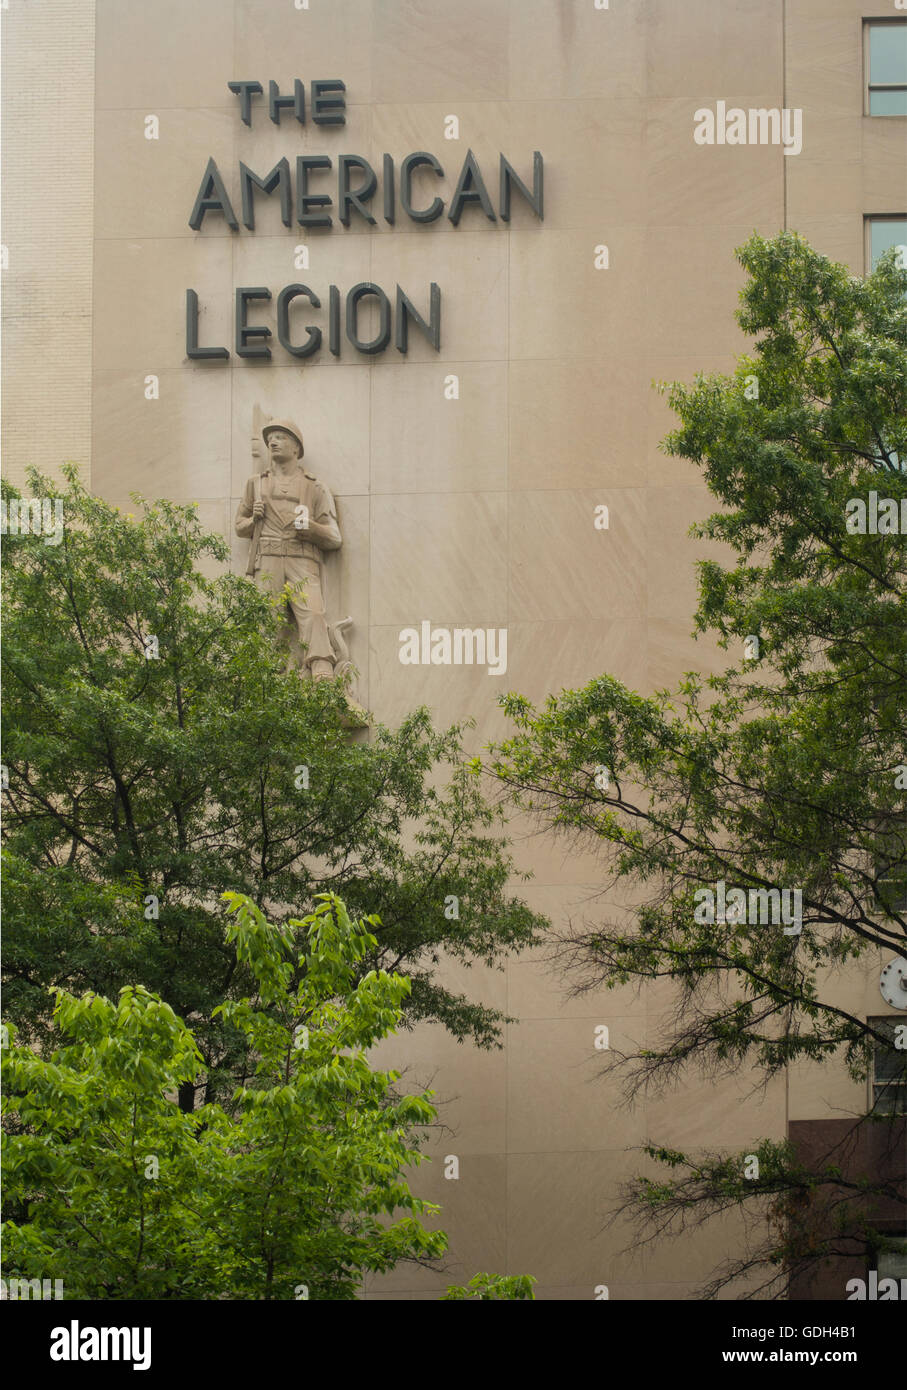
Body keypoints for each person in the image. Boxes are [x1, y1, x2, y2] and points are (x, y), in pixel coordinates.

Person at [235, 419, 341, 679]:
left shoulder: (314, 487)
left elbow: (334, 537)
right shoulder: (255, 484)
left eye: (281, 437)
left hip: (301, 559)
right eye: (271, 438)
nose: (273, 442)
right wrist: (253, 519)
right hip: (267, 559)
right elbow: (240, 526)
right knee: (265, 618)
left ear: (296, 447)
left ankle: (321, 668)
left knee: (314, 612)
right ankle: (263, 676)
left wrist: (312, 529)